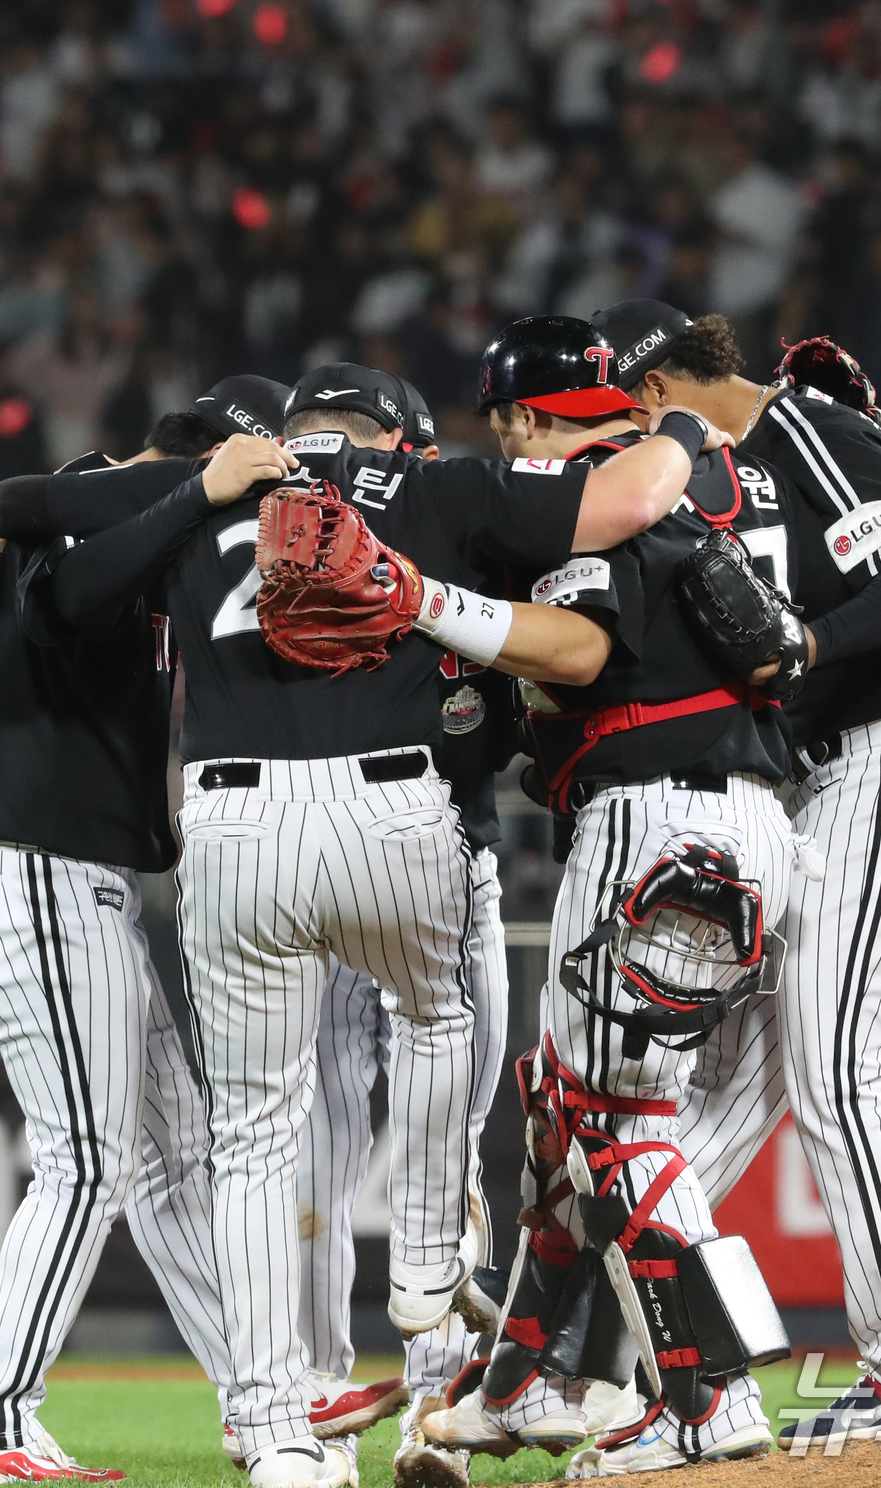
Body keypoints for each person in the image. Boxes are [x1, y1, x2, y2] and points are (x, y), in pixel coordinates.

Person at [31, 348, 729, 1488]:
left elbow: (66, 584)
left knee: (252, 1140)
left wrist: (12, 504)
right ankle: (421, 1287)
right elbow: (626, 499)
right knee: (441, 1033)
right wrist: (691, 429)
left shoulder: (216, 481)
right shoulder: (436, 484)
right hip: (401, 811)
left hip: (227, 821)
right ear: (395, 435)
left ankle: (275, 1438)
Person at [589, 300, 881, 1448]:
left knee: (833, 1068)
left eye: (626, 409)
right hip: (828, 789)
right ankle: (601, 1341)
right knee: (732, 1085)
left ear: (657, 391)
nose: (623, 433)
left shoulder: (793, 430)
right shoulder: (713, 480)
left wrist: (807, 649)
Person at [408, 315, 802, 1472]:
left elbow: (576, 648)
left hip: (657, 824)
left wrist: (428, 604)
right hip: (735, 823)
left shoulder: (578, 496)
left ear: (524, 420)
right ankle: (519, 1381)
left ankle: (709, 1401)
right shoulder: (675, 500)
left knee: (619, 1130)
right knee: (564, 1120)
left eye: (505, 422)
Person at [0, 375, 293, 1484]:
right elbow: (78, 590)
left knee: (176, 1148)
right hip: (27, 869)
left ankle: (258, 1399)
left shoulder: (107, 519)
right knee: (86, 1162)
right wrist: (199, 495)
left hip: (66, 878)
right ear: (212, 456)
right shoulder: (97, 516)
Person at [295, 374, 514, 1488]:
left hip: (300, 866)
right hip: (438, 861)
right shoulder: (447, 529)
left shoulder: (253, 538)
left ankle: (322, 1422)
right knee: (430, 1151)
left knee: (317, 1152)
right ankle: (424, 1414)